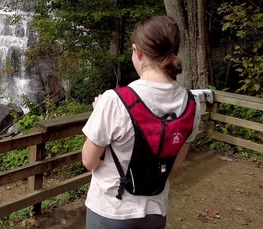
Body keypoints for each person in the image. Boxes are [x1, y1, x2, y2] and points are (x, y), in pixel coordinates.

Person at [81, 15, 201, 229]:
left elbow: (89, 161)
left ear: (138, 52)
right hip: (155, 212)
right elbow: (176, 165)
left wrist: (99, 112)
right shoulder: (192, 104)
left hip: (111, 211)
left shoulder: (114, 101)